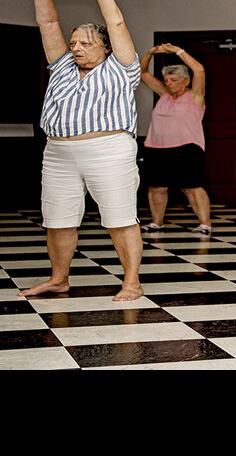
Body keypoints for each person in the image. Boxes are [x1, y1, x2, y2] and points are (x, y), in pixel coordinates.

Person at [20, 0, 143, 302]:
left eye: (85, 44)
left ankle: (132, 283)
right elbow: (48, 23)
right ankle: (58, 279)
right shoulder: (62, 65)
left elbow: (115, 22)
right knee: (57, 220)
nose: (76, 48)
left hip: (108, 150)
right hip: (58, 151)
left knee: (120, 218)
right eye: (74, 43)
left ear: (106, 48)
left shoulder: (122, 67)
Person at [139, 43, 212, 235]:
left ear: (186, 81)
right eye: (166, 80)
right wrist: (150, 52)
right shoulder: (164, 94)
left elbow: (199, 70)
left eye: (173, 79)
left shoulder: (195, 96)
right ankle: (157, 222)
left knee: (192, 187)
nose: (168, 83)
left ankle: (205, 224)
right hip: (156, 147)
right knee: (156, 187)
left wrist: (178, 51)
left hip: (187, 148)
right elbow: (142, 73)